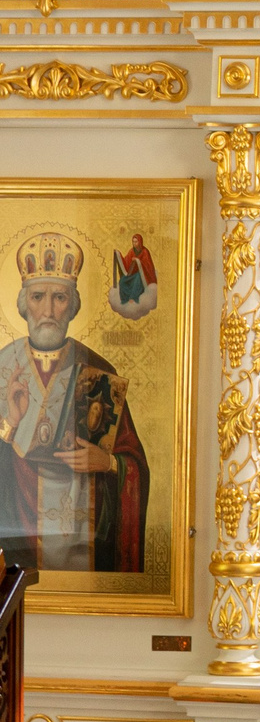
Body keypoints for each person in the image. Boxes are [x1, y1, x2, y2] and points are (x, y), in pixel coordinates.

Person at [0, 232, 147, 573]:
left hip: (84, 536)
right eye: (38, 297)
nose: (48, 311)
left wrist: (108, 463)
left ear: (74, 305)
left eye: (60, 298)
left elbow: (134, 462)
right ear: (23, 304)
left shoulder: (99, 369)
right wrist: (10, 425)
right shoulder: (3, 366)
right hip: (17, 534)